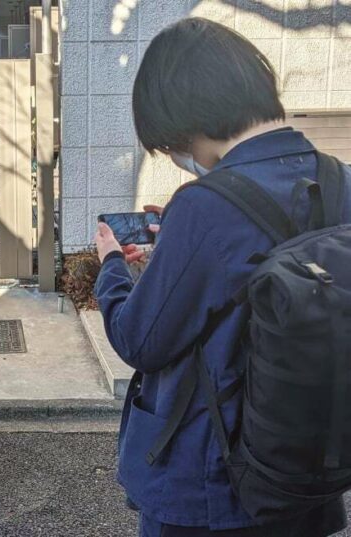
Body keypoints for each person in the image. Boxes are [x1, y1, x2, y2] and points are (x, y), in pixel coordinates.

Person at [93, 17, 351, 537]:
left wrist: (112, 267)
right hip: (306, 468)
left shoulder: (204, 207)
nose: (176, 157)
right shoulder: (338, 177)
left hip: (213, 482)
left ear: (188, 118)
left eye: (169, 145)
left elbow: (140, 340)